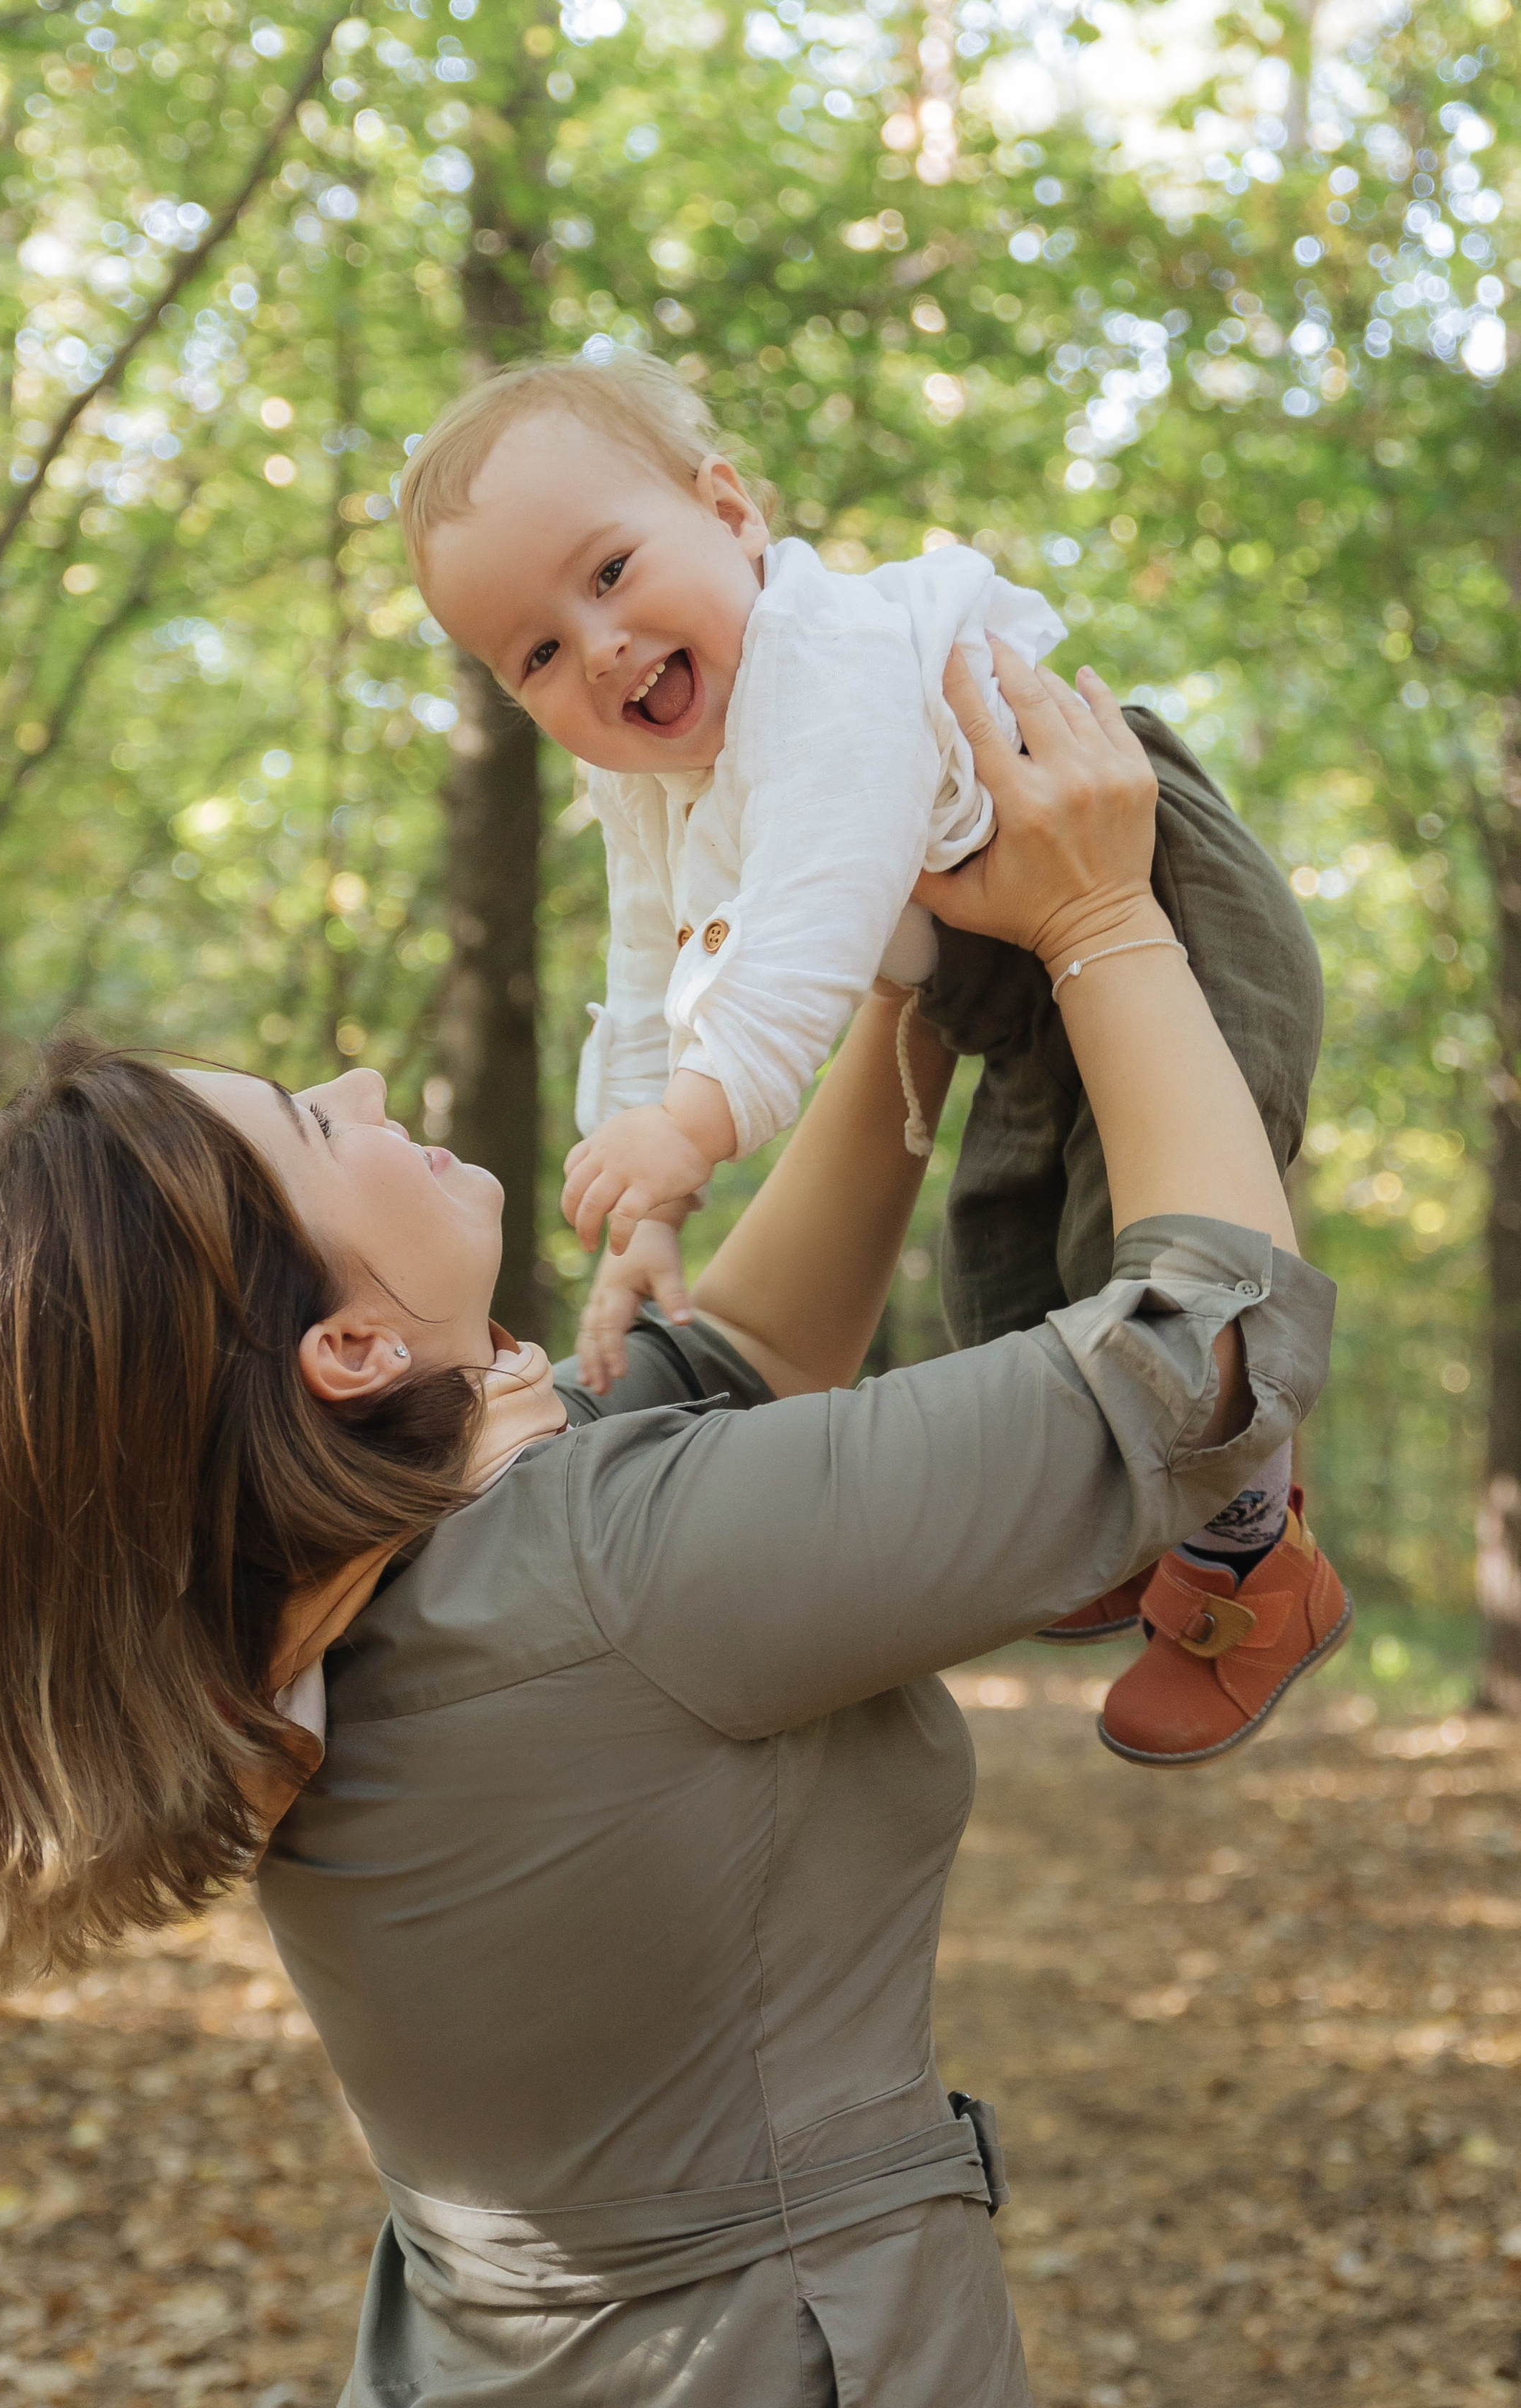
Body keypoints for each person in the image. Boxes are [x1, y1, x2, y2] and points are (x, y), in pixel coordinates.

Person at [0, 646, 1335, 2408]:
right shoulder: (605, 1577)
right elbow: (1221, 1349)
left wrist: (887, 974)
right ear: (340, 1353)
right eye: (312, 1126)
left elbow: (755, 1370)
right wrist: (1101, 920)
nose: (361, 1088)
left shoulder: (347, 1608)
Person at [400, 349, 1348, 1765]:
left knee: (1156, 1271)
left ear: (727, 515)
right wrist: (648, 1205)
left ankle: (1248, 1563)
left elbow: (814, 915)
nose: (593, 646)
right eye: (534, 650)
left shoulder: (822, 661)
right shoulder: (645, 775)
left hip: (1152, 890)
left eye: (606, 573)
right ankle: (1107, 1512)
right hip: (994, 967)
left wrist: (705, 1127)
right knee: (1003, 1245)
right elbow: (649, 963)